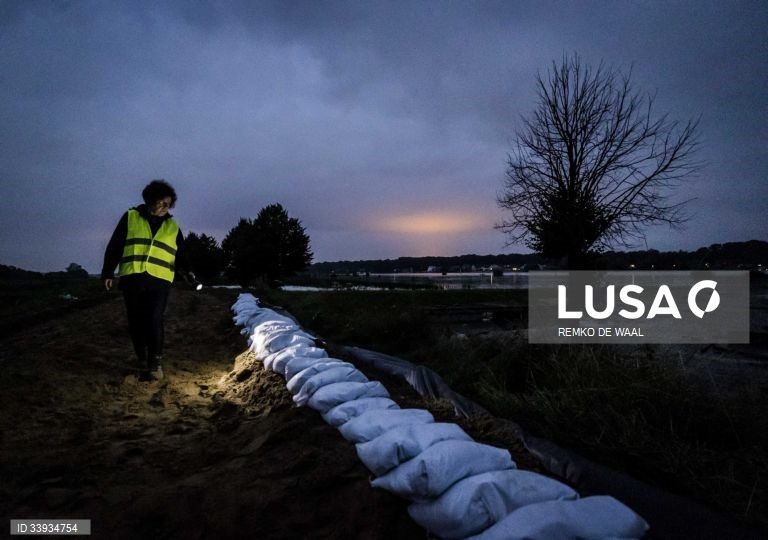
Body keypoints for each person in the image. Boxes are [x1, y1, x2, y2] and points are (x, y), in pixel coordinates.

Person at [101, 179, 195, 381]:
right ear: (150, 199)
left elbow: (182, 254)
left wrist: (188, 272)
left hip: (159, 280)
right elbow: (115, 244)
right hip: (132, 277)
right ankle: (141, 358)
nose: (163, 207)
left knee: (154, 319)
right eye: (160, 202)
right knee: (135, 321)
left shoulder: (172, 226)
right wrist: (108, 271)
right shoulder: (131, 217)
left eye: (167, 204)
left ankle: (155, 363)